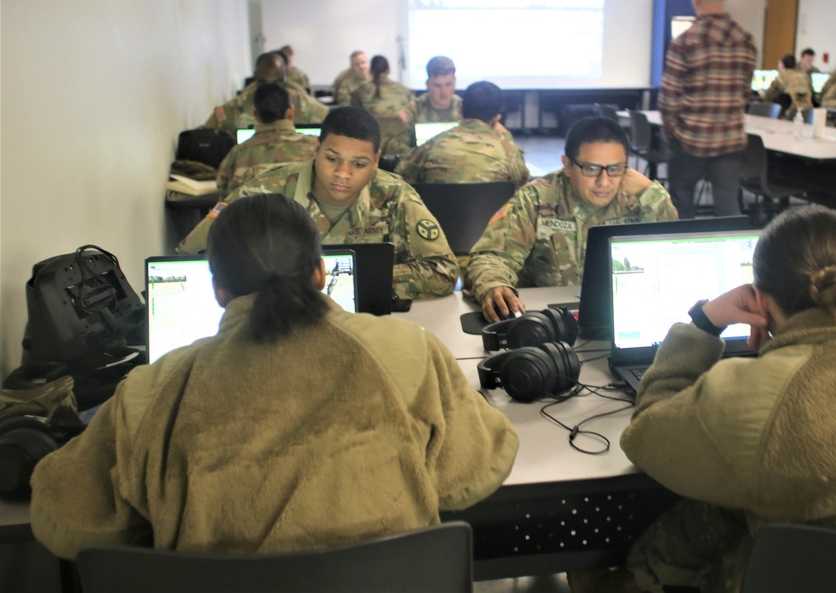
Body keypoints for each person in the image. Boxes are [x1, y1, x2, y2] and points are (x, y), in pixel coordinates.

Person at [30, 193, 517, 559]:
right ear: (321, 273)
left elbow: (65, 523)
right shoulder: (407, 350)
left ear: (218, 289)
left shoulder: (152, 390)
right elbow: (472, 476)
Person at [569, 206, 836, 593]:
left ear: (759, 299)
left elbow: (647, 436)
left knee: (591, 570)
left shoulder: (759, 396)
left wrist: (703, 323)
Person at [179, 106, 459, 300]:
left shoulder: (395, 195)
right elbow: (187, 259)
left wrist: (352, 279)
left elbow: (443, 271)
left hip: (365, 324)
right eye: (332, 158)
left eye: (359, 164)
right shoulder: (263, 192)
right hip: (278, 323)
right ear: (316, 149)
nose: (342, 173)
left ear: (376, 161)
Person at [465, 116, 678, 323]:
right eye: (591, 169)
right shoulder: (536, 199)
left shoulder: (639, 198)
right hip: (550, 322)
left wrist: (651, 192)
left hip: (626, 316)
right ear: (567, 165)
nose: (604, 182)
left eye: (615, 169)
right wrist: (495, 285)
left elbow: (674, 255)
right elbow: (492, 256)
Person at [660, 0, 757, 220]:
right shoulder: (746, 40)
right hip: (730, 141)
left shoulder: (685, 41)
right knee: (728, 206)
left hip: (690, 139)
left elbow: (669, 98)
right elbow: (746, 91)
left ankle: (682, 250)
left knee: (681, 204)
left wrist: (674, 133)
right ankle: (736, 255)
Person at [396, 80, 530, 188]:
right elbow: (522, 186)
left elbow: (402, 176)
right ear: (496, 119)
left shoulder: (431, 145)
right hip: (489, 220)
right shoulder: (508, 151)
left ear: (460, 111)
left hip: (437, 220)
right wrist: (506, 137)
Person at [215, 83, 319, 194]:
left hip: (252, 211)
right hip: (302, 210)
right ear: (291, 112)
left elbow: (223, 194)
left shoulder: (237, 153)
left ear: (255, 115)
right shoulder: (316, 147)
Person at [203, 52, 329, 137]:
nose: (271, 88)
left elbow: (332, 122)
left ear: (285, 78)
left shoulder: (302, 104)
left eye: (277, 81)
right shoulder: (237, 107)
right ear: (256, 78)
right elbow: (207, 133)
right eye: (265, 82)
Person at [350, 55, 415, 157]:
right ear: (388, 70)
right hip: (401, 150)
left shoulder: (359, 92)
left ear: (370, 71)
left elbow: (354, 122)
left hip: (369, 150)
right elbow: (411, 119)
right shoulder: (404, 91)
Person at [399, 56, 464, 140]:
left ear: (455, 82)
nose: (443, 91)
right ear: (427, 84)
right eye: (437, 86)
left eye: (448, 84)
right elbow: (399, 145)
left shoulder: (464, 109)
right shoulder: (414, 111)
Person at [762, 54, 813, 118]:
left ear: (782, 65)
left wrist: (761, 93)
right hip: (808, 113)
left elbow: (768, 95)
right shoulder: (804, 76)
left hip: (790, 113)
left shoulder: (781, 76)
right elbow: (812, 91)